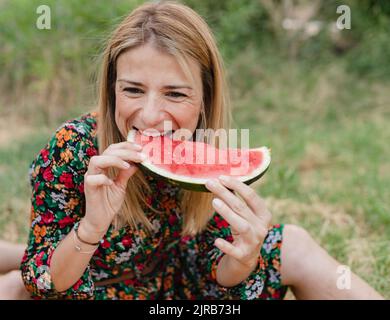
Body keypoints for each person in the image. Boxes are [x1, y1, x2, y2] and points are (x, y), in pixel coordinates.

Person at [3, 1, 382, 300]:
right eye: (133, 89)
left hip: (175, 282)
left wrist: (244, 256)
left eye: (175, 93)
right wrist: (91, 228)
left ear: (205, 100)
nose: (150, 116)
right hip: (93, 288)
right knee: (14, 288)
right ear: (111, 89)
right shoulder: (73, 149)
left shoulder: (203, 144)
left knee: (294, 243)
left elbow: (214, 270)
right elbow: (46, 283)